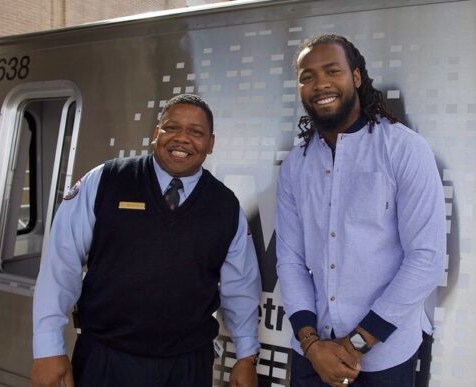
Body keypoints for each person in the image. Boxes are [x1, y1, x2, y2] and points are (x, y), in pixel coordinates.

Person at [31, 94, 261, 387]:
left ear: (211, 143)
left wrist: (246, 357)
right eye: (172, 127)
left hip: (187, 368)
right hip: (105, 360)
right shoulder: (106, 180)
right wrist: (48, 348)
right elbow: (59, 265)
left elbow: (241, 289)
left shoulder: (226, 207)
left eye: (196, 132)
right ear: (156, 134)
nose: (182, 139)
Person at [275, 34, 446, 387]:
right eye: (307, 76)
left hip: (385, 357)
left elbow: (426, 259)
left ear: (356, 77)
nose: (320, 83)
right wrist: (312, 345)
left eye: (332, 71)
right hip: (312, 354)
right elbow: (290, 262)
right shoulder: (296, 165)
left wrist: (354, 345)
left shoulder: (404, 149)